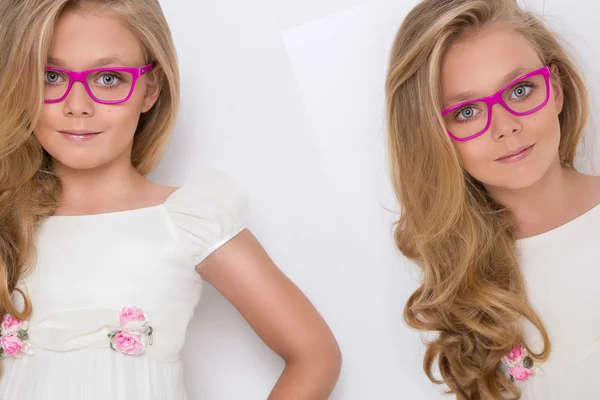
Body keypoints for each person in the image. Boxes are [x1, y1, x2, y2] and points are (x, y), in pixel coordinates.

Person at [0, 1, 342, 399]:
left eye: (109, 78)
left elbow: (315, 354)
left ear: (151, 89)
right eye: (51, 75)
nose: (78, 105)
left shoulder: (186, 220)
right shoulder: (9, 223)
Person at [385, 0, 599, 398]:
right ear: (434, 137)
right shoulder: (465, 283)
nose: (505, 127)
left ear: (556, 89)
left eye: (520, 89)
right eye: (466, 111)